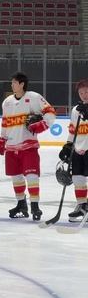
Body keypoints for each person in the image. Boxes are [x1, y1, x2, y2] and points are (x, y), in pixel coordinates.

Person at [0, 72, 56, 221]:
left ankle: (35, 206)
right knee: (16, 178)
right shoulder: (7, 102)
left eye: (14, 82)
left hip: (28, 146)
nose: (12, 85)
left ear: (22, 84)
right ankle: (21, 204)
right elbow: (5, 122)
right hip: (11, 146)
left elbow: (50, 113)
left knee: (32, 176)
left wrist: (41, 125)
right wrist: (2, 138)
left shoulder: (34, 97)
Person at [59, 79, 88, 222]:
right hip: (78, 149)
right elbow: (72, 130)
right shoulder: (76, 110)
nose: (84, 95)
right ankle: (82, 206)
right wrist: (68, 145)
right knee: (78, 179)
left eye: (87, 92)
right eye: (81, 92)